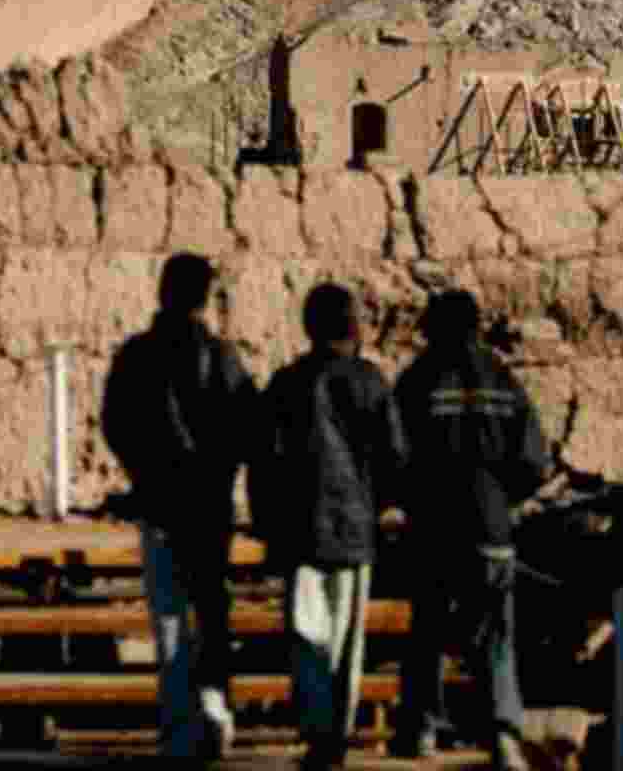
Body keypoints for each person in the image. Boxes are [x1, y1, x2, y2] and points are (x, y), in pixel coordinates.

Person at [101, 251, 257, 761]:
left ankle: (178, 723)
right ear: (206, 297)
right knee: (211, 609)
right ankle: (215, 707)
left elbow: (116, 425)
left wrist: (144, 475)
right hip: (208, 506)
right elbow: (246, 427)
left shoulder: (136, 355)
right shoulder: (224, 357)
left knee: (168, 618)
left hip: (159, 504)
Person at [248, 283, 407, 771]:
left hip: (302, 532)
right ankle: (336, 733)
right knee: (347, 641)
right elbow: (395, 457)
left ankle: (318, 735)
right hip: (356, 532)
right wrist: (377, 505)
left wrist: (267, 524)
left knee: (307, 636)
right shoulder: (372, 381)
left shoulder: (287, 383)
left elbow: (264, 462)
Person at [393, 289, 551, 771]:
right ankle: (502, 734)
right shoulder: (505, 382)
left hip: (435, 531)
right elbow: (533, 463)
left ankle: (421, 730)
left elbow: (393, 455)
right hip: (491, 532)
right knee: (497, 636)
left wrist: (413, 500)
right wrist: (502, 502)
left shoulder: (416, 380)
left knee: (428, 633)